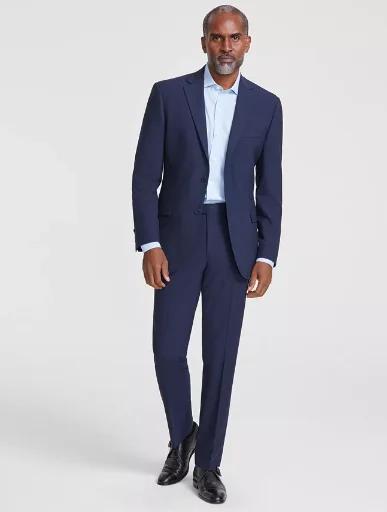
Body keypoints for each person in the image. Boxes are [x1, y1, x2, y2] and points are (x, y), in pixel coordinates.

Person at [131, 4, 283, 504]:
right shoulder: (168, 95)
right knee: (167, 349)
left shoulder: (267, 106)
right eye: (217, 38)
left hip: (234, 243)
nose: (226, 47)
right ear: (203, 43)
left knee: (220, 358)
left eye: (234, 37)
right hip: (177, 241)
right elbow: (144, 175)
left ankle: (208, 464)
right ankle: (183, 435)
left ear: (247, 43)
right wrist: (150, 242)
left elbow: (270, 187)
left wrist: (267, 254)